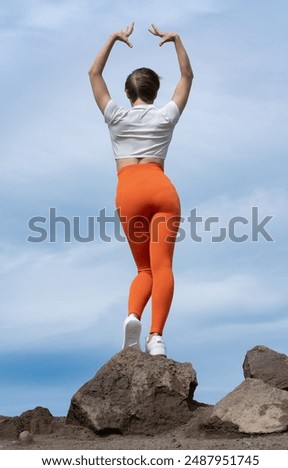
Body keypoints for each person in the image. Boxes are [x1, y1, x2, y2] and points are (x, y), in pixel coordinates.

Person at [89, 22, 193, 356]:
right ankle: (156, 338)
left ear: (129, 92)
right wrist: (177, 41)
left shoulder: (115, 115)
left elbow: (93, 74)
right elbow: (187, 78)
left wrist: (112, 39)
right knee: (162, 266)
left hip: (129, 191)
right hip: (161, 188)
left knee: (144, 269)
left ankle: (133, 315)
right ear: (154, 91)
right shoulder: (165, 117)